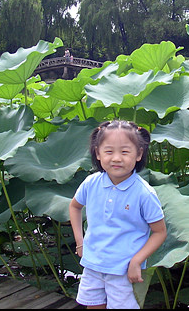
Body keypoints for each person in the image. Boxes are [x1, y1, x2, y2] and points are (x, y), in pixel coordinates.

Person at [69, 120, 167, 309]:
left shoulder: (144, 193)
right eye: (108, 151)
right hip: (93, 264)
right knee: (93, 306)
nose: (116, 158)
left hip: (124, 268)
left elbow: (159, 232)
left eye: (124, 152)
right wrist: (80, 241)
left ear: (139, 154)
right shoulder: (91, 183)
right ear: (98, 153)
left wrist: (137, 261)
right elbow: (74, 207)